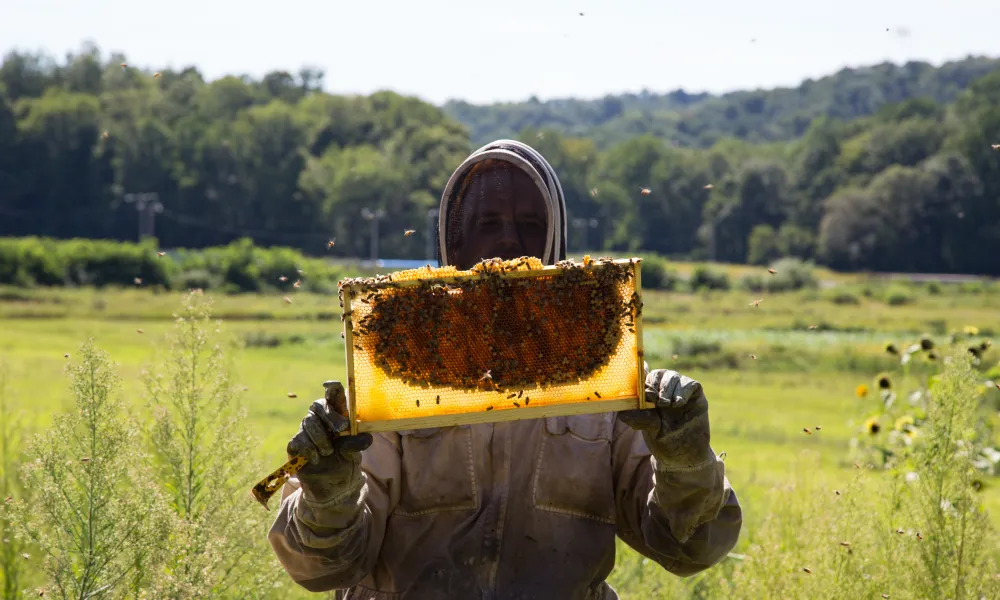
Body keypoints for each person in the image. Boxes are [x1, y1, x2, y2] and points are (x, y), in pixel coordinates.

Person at [268, 140, 743, 599]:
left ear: (555, 241)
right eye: (488, 221)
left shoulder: (607, 385)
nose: (509, 239)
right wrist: (329, 494)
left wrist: (685, 463)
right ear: (454, 239)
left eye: (530, 223)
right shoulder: (393, 376)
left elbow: (689, 546)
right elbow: (319, 566)